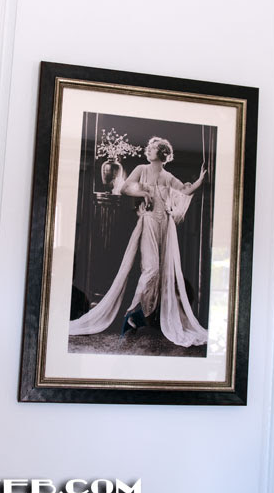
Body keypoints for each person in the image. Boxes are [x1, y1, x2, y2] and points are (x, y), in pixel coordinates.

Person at [69, 136, 209, 348]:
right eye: (149, 148)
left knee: (163, 272)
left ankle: (145, 315)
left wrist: (199, 180)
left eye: (153, 149)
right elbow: (125, 188)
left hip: (166, 225)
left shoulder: (168, 176)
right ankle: (133, 311)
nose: (148, 151)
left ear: (162, 154)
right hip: (149, 222)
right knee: (151, 269)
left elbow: (184, 191)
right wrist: (143, 192)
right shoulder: (141, 169)